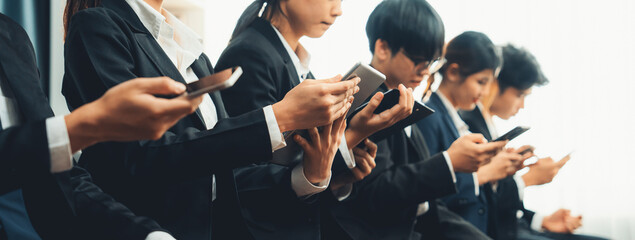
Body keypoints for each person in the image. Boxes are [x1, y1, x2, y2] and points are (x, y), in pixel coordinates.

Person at [62, 0, 358, 239]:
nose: (339, 8)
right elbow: (137, 155)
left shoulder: (189, 47)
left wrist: (309, 175)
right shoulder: (97, 26)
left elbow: (225, 173)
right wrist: (278, 117)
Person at [215, 0, 416, 238]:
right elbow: (240, 179)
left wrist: (340, 175)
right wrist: (351, 137)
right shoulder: (252, 53)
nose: (338, 10)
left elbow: (295, 168)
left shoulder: (292, 62)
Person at [0, 12, 203, 240]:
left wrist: (148, 234)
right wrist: (87, 125)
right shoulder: (97, 27)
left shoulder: (11, 35)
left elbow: (59, 177)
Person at [328, 1, 507, 239]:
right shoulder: (367, 98)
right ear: (383, 48)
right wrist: (448, 162)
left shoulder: (401, 98)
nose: (425, 71)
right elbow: (376, 192)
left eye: (432, 62)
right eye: (418, 60)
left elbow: (426, 206)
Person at [459, 44, 607, 240]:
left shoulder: (485, 124)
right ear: (494, 84)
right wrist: (527, 180)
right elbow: (480, 198)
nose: (522, 105)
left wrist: (540, 220)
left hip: (516, 227)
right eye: (520, 95)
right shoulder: (469, 126)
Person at [416, 31, 523, 233]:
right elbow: (425, 192)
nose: (484, 92)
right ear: (453, 72)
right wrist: (483, 174)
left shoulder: (456, 118)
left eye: (488, 84)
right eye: (481, 82)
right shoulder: (429, 118)